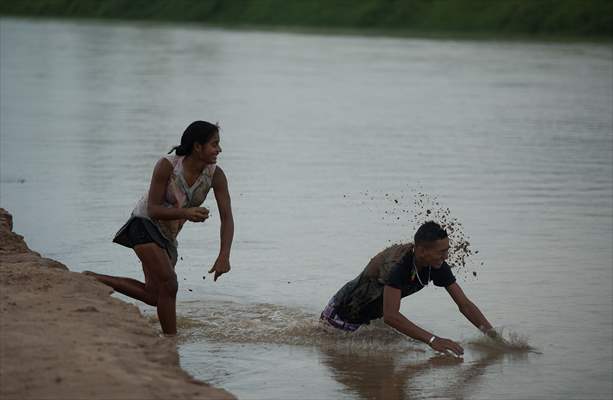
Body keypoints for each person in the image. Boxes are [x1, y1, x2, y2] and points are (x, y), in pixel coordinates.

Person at [85, 121, 234, 335]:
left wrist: (224, 256)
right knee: (170, 284)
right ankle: (172, 341)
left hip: (167, 236)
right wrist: (186, 213)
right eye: (214, 144)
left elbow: (227, 218)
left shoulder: (215, 176)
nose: (219, 149)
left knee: (156, 295)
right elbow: (153, 209)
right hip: (143, 224)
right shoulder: (167, 165)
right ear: (197, 147)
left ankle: (94, 278)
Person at [320, 221, 497, 356]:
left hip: (372, 318)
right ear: (420, 250)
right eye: (441, 252)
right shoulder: (397, 267)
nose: (446, 256)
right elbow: (391, 316)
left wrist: (495, 338)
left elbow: (464, 305)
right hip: (342, 315)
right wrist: (433, 339)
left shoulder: (436, 264)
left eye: (446, 250)